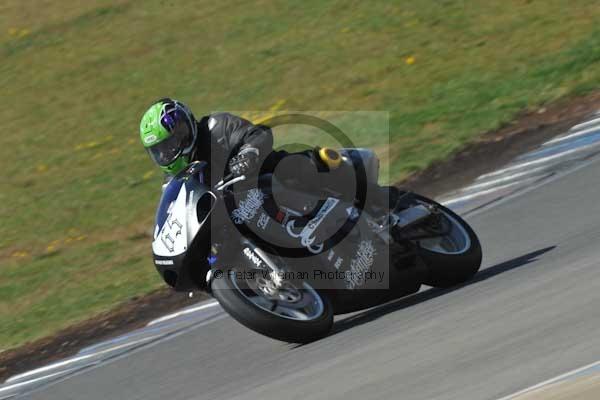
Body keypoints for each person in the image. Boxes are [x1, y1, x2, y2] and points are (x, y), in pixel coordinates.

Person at [139, 98, 395, 211]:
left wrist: (248, 155)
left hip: (269, 177)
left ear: (187, 124)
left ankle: (374, 202)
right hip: (239, 215)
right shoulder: (172, 184)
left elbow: (257, 134)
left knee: (295, 167)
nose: (170, 151)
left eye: (174, 141)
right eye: (161, 150)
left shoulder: (216, 126)